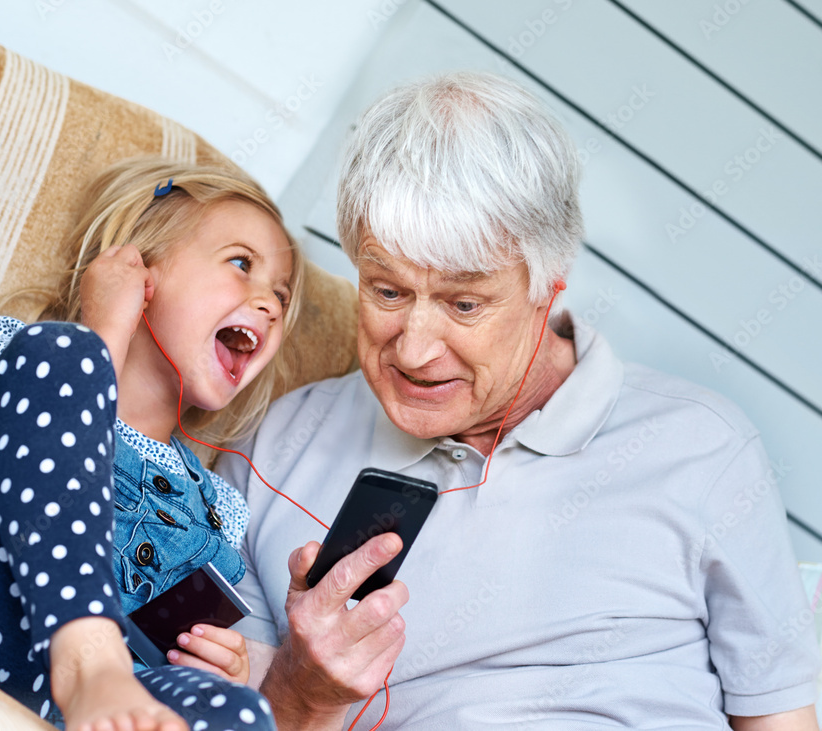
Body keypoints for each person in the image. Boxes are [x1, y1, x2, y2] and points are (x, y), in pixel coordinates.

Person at [215, 72, 822, 730]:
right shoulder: (269, 452)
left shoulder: (702, 446)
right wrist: (304, 693)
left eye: (464, 302)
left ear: (549, 284)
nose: (414, 350)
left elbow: (780, 719)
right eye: (387, 291)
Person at [0, 157, 303, 731]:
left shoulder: (218, 507)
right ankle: (89, 666)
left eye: (281, 295)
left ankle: (106, 681)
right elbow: (25, 444)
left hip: (92, 712)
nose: (270, 303)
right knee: (63, 356)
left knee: (238, 710)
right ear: (140, 267)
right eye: (241, 264)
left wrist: (216, 665)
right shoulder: (15, 351)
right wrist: (104, 332)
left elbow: (163, 652)